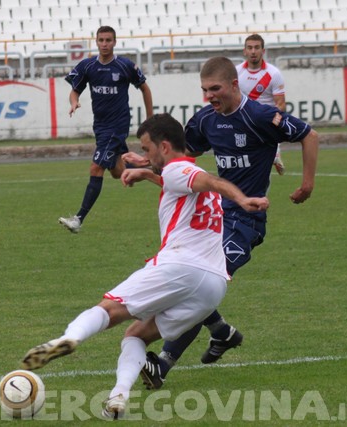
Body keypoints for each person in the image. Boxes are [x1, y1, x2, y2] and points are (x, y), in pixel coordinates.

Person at [21, 113, 269, 419]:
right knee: (136, 336)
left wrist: (242, 199)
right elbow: (183, 182)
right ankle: (118, 397)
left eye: (148, 148)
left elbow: (208, 181)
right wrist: (148, 173)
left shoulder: (182, 169)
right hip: (212, 286)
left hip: (180, 266)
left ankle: (68, 338)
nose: (144, 155)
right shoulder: (181, 173)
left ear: (165, 147)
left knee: (110, 310)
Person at [124, 56, 319, 389]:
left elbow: (309, 135)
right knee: (195, 282)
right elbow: (183, 158)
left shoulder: (259, 115)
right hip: (214, 217)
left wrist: (307, 184)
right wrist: (148, 165)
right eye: (204, 90)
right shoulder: (206, 120)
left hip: (246, 221)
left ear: (233, 84)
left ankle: (164, 363)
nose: (210, 96)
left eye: (215, 89)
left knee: (201, 284)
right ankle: (222, 332)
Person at [58, 25, 154, 233]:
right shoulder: (88, 66)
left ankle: (78, 219)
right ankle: (157, 169)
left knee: (96, 168)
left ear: (114, 42)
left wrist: (150, 119)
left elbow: (145, 88)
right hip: (100, 126)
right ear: (96, 42)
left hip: (117, 125)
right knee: (118, 172)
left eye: (108, 40)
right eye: (101, 40)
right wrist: (74, 102)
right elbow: (74, 91)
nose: (104, 44)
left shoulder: (124, 66)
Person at [237, 33, 287, 175]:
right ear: (244, 51)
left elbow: (281, 104)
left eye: (257, 48)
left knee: (257, 169)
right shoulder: (236, 72)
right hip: (244, 121)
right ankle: (274, 153)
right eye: (250, 48)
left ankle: (274, 151)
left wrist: (274, 123)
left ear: (263, 51)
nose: (253, 51)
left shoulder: (273, 74)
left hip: (265, 121)